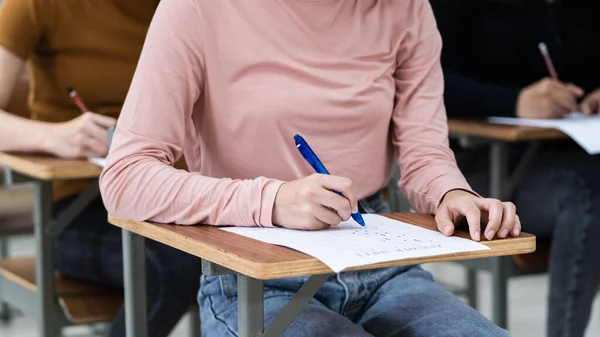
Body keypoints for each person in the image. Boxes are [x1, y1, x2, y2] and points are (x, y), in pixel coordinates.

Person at [100, 0, 520, 336]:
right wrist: (273, 199)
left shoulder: (406, 8)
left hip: (378, 259)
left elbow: (424, 153)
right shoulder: (195, 9)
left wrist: (453, 194)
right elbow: (125, 176)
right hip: (253, 275)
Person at [0, 0, 201, 336]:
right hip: (79, 212)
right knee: (179, 264)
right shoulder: (37, 5)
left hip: (174, 199)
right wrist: (55, 137)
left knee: (239, 267)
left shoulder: (188, 7)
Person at [429, 1, 600, 336]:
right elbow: (425, 80)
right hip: (490, 168)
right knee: (583, 195)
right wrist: (514, 102)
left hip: (577, 151)